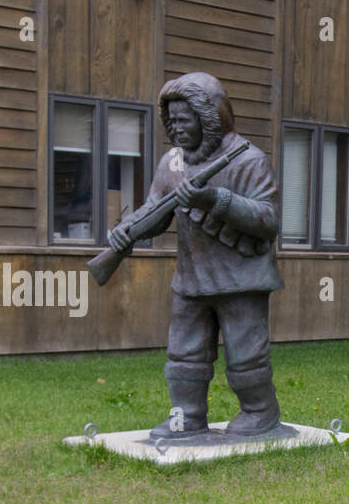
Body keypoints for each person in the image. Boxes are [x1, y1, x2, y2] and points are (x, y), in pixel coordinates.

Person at [107, 72, 284, 438]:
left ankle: (260, 412)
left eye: (183, 119)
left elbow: (267, 220)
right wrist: (130, 228)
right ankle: (185, 417)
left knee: (245, 355)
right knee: (184, 355)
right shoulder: (172, 163)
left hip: (241, 278)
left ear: (210, 118)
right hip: (191, 278)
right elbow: (156, 209)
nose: (175, 128)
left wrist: (215, 200)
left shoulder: (248, 160)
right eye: (170, 120)